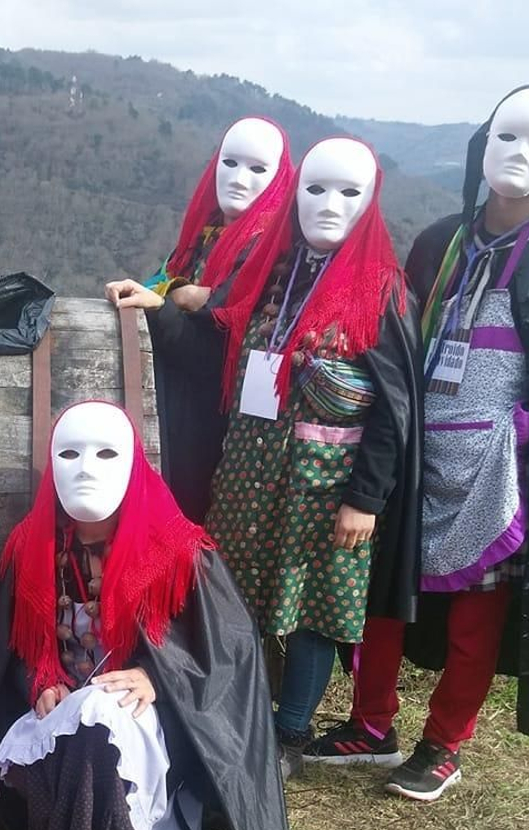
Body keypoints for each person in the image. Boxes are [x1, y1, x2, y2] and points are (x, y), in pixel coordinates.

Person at [307, 86, 529, 801]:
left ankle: (443, 743)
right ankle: (371, 722)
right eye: (507, 136)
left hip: (500, 463)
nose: (520, 154)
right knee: (382, 591)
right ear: (482, 142)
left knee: (477, 610)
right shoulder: (441, 243)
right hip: (417, 446)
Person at [0, 401, 296, 830]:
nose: (86, 469)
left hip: (152, 722)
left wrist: (157, 678)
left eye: (105, 454)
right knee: (82, 724)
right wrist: (41, 681)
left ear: (132, 461)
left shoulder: (177, 552)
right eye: (70, 454)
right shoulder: (31, 547)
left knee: (100, 722)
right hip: (60, 712)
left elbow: (228, 658)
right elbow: (9, 648)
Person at [203, 137, 424, 781]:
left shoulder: (381, 291)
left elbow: (393, 408)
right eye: (316, 188)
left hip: (327, 485)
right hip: (249, 470)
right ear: (295, 191)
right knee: (233, 593)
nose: (329, 204)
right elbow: (218, 317)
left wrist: (366, 499)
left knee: (314, 608)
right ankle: (233, 713)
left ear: (370, 201)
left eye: (349, 192)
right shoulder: (273, 269)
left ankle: (290, 732)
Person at [104, 117, 294, 520]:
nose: (239, 179)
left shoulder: (271, 252)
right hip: (172, 402)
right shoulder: (203, 237)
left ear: (279, 177)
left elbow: (213, 345)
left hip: (216, 422)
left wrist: (164, 305)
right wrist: (175, 295)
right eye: (230, 163)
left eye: (258, 169)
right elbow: (173, 286)